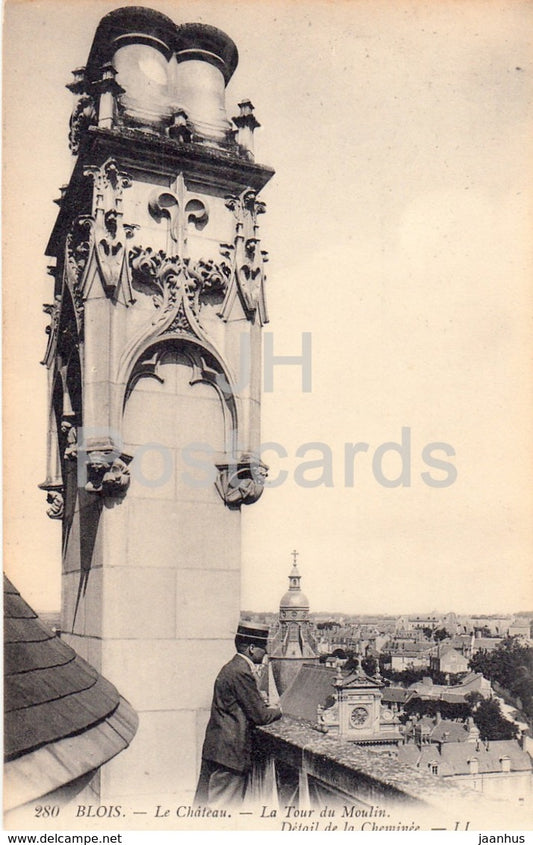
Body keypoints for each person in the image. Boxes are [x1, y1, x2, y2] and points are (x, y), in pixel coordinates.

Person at [194, 620, 282, 807]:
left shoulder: (232, 667)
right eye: (263, 646)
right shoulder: (241, 672)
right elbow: (261, 716)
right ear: (251, 648)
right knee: (223, 814)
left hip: (218, 750)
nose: (266, 651)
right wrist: (278, 710)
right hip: (230, 755)